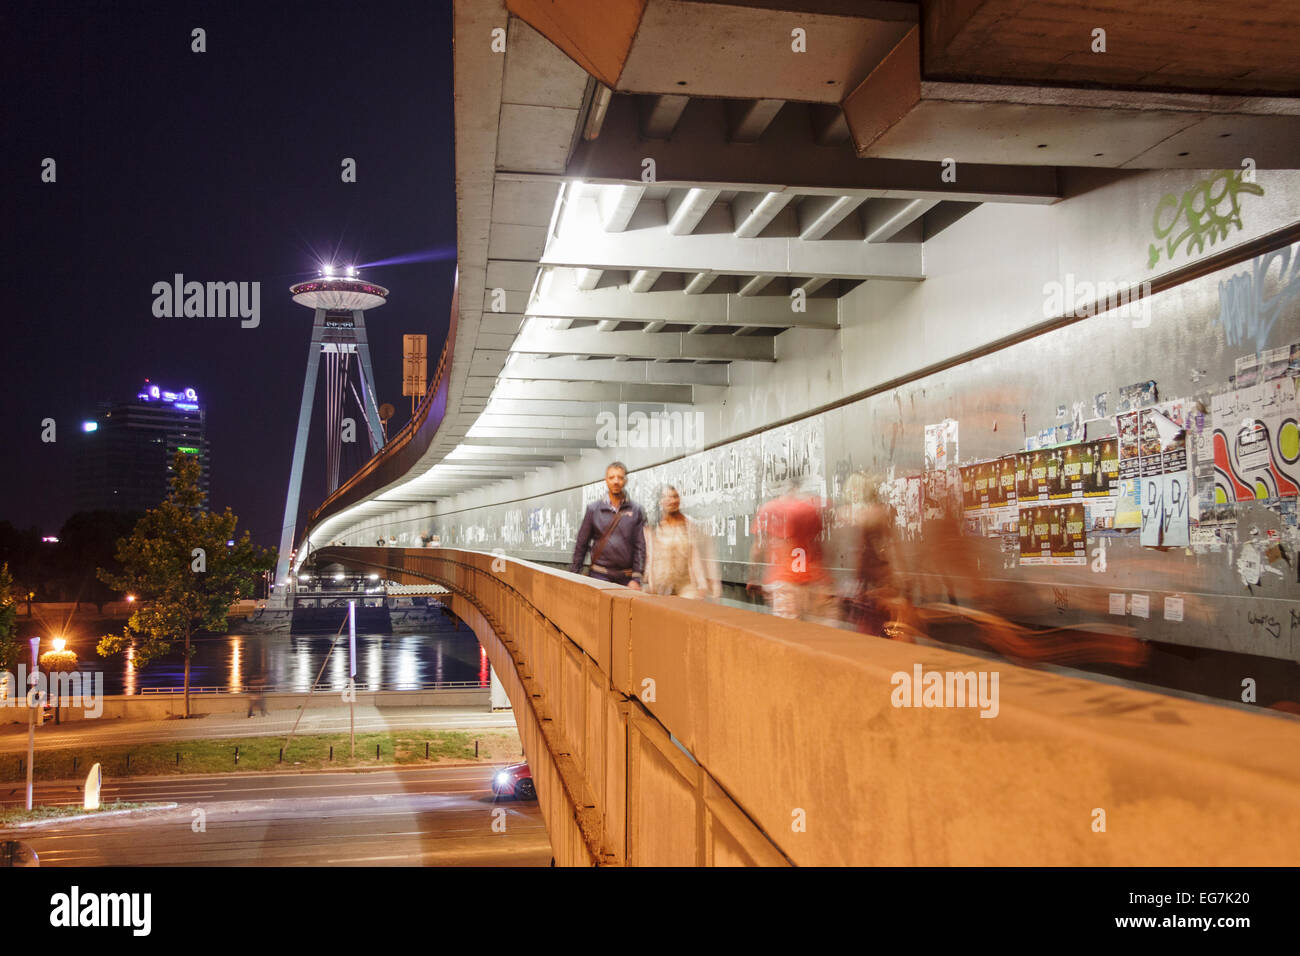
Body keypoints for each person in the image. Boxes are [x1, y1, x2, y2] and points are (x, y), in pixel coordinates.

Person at [746, 478, 835, 621]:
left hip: (782, 580)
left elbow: (757, 548)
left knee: (786, 631)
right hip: (808, 580)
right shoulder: (809, 509)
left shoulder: (768, 509)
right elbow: (818, 547)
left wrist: (752, 576)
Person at [570, 461, 646, 589]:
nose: (616, 481)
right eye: (611, 477)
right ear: (606, 480)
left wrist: (637, 578)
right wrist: (574, 575)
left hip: (626, 578)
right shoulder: (594, 509)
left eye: (620, 477)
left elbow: (640, 546)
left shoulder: (636, 510)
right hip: (599, 575)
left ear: (625, 480)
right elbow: (581, 544)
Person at [644, 485, 720, 598]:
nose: (673, 500)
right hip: (660, 586)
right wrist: (649, 582)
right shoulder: (653, 528)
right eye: (668, 497)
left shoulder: (689, 526)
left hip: (686, 586)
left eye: (675, 496)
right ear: (660, 501)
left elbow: (695, 556)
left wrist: (702, 584)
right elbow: (649, 557)